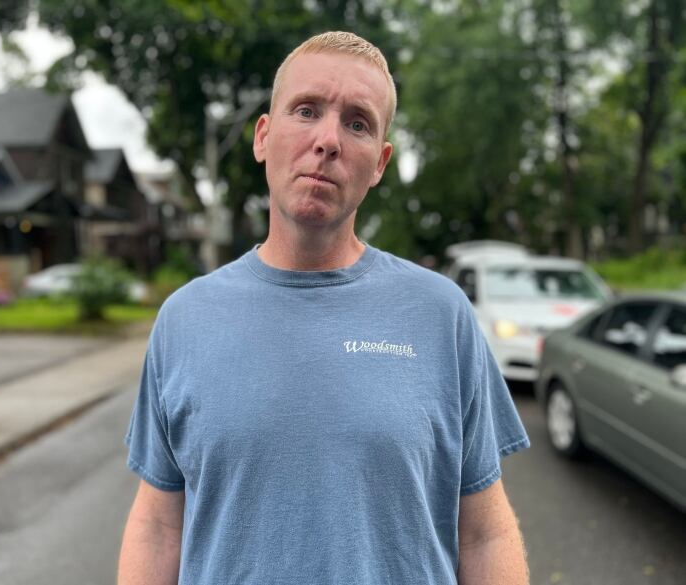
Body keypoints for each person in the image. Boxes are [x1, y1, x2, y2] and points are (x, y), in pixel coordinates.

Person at [119, 31, 530, 585]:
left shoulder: (441, 315)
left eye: (357, 122)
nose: (328, 140)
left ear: (380, 163)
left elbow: (483, 531)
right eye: (306, 110)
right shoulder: (184, 319)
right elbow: (159, 523)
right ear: (264, 136)